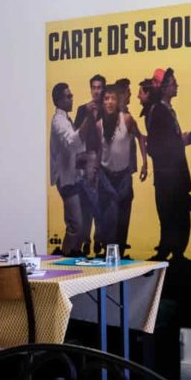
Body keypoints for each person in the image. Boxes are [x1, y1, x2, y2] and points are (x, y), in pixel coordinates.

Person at [146, 67, 191, 261]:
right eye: (174, 83)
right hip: (168, 172)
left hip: (173, 171)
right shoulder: (160, 110)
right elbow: (158, 143)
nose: (177, 86)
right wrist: (184, 139)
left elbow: (168, 141)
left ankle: (173, 251)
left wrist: (185, 139)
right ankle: (171, 251)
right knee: (171, 212)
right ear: (165, 87)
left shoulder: (167, 110)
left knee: (177, 211)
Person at [97, 85, 147, 254]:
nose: (110, 102)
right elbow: (95, 151)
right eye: (106, 98)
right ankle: (109, 255)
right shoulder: (98, 126)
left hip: (124, 176)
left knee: (123, 217)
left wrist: (144, 163)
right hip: (106, 176)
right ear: (102, 102)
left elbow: (140, 138)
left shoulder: (127, 119)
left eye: (113, 98)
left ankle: (121, 255)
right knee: (110, 217)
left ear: (118, 102)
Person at [49, 82, 94, 256]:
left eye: (71, 95)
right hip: (66, 178)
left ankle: (73, 251)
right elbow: (72, 142)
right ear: (59, 100)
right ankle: (66, 255)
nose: (72, 98)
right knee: (75, 223)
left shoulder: (66, 119)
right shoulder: (58, 122)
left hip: (74, 177)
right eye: (68, 96)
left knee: (81, 221)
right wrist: (88, 119)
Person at [74, 74, 105, 256]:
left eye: (99, 87)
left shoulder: (108, 109)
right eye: (94, 87)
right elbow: (76, 136)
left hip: (102, 161)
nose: (96, 91)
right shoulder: (82, 110)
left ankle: (99, 238)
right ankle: (85, 239)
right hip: (84, 161)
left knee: (99, 202)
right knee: (85, 202)